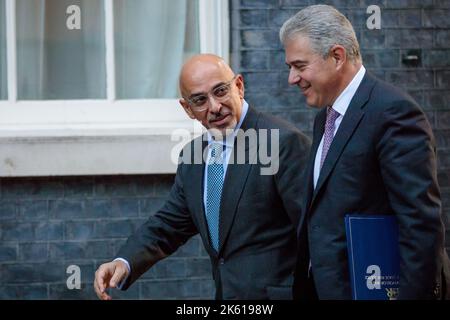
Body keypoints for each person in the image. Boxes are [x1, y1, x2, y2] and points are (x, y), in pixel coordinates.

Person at [93, 54, 311, 300]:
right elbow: (170, 224)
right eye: (200, 100)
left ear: (239, 86)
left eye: (220, 91)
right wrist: (124, 262)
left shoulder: (283, 143)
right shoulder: (193, 156)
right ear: (188, 109)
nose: (215, 107)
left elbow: (315, 231)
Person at [279, 4, 450, 300]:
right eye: (290, 68)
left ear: (337, 56)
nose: (292, 79)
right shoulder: (326, 117)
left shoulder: (394, 113)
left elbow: (420, 227)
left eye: (300, 65)